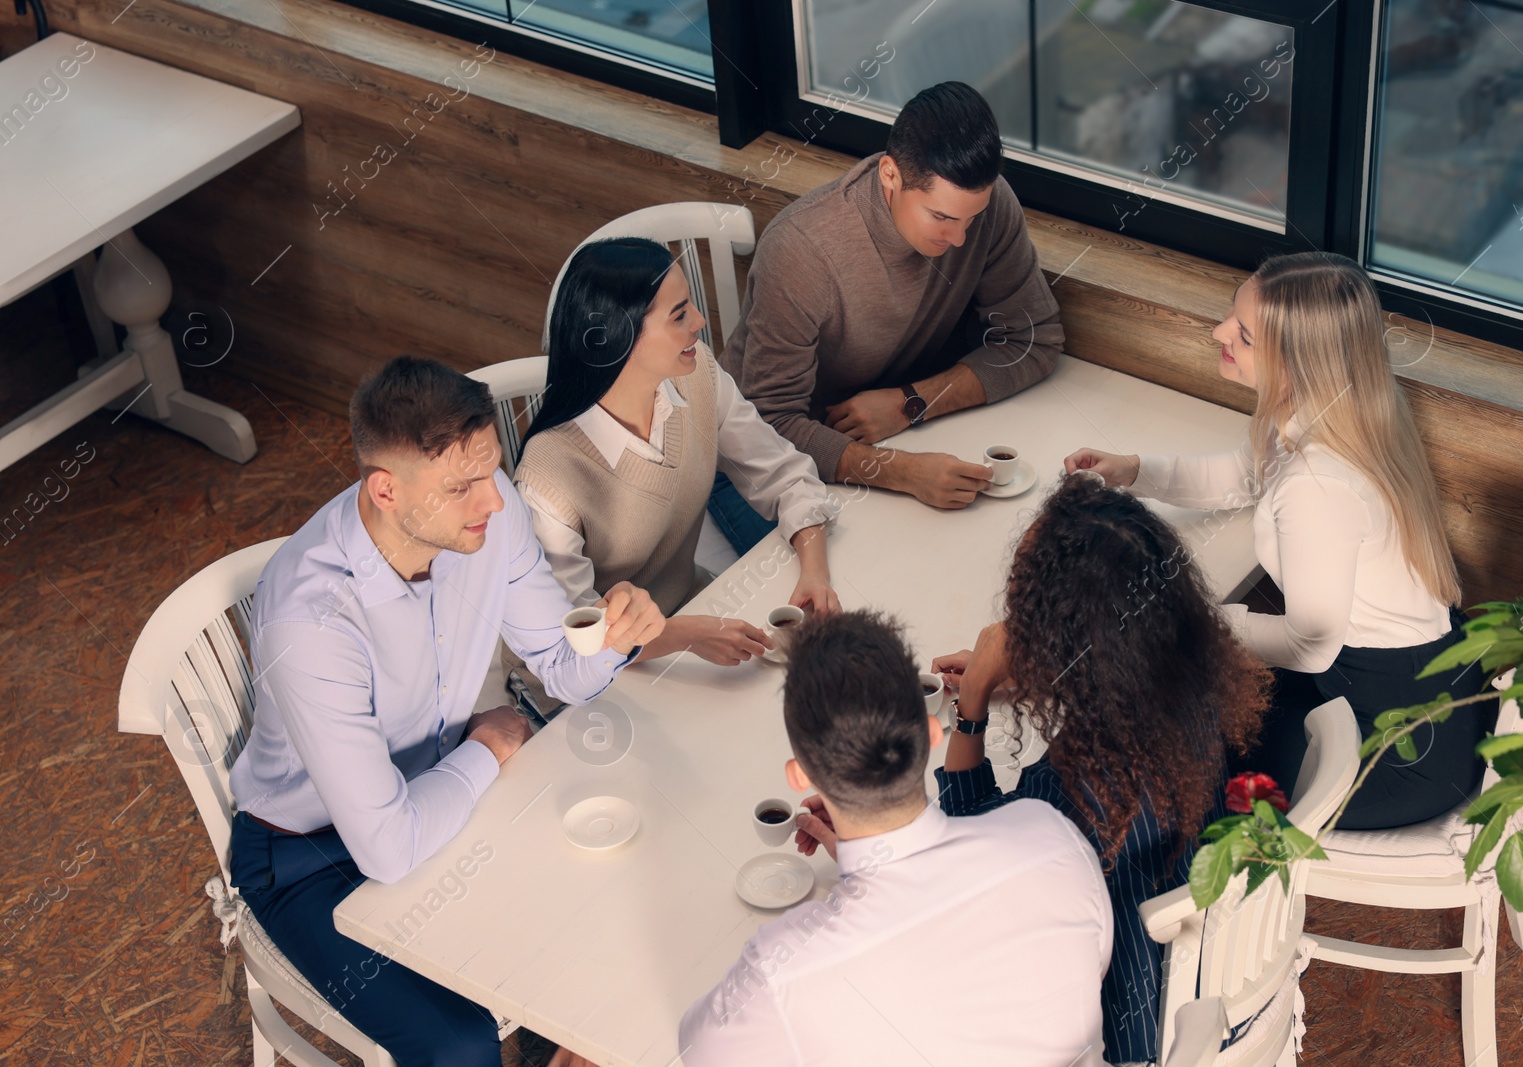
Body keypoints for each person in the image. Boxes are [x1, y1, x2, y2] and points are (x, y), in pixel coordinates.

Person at [228, 356, 665, 1067]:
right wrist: (487, 750)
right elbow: (389, 846)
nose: (493, 503)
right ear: (385, 489)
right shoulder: (311, 622)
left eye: (491, 471)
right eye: (461, 487)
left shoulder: (488, 518)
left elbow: (562, 667)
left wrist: (618, 636)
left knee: (611, 898)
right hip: (308, 855)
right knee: (456, 1041)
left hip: (445, 793)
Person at [1065, 251, 1493, 830]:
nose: (1219, 333)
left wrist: (1195, 621)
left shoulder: (1320, 483)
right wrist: (1136, 470)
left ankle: (1184, 902)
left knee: (1179, 753)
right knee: (1190, 701)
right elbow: (1245, 474)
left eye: (1243, 335)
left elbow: (1311, 644)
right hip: (1411, 683)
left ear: (1295, 366)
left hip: (1398, 747)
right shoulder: (1340, 407)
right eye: (1230, 316)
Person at [935, 474, 1272, 1066]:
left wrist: (976, 700)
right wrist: (1048, 669)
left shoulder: (1066, 794)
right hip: (1225, 982)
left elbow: (965, 846)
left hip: (1132, 1029)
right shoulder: (1204, 684)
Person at [679, 610, 1113, 1066]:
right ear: (930, 737)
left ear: (801, 775)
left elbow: (696, 1051)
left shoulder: (779, 972)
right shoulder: (1052, 835)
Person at [716, 80, 1064, 537]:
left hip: (895, 435)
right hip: (757, 467)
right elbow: (769, 425)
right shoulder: (801, 251)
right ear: (889, 175)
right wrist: (901, 472)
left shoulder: (991, 203)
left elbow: (1032, 338)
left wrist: (912, 403)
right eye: (941, 217)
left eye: (971, 219)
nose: (960, 239)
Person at [515, 237, 840, 668]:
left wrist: (815, 571)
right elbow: (576, 635)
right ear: (618, 335)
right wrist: (685, 635)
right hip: (586, 684)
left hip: (690, 613)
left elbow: (783, 473)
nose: (701, 321)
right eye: (680, 314)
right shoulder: (548, 474)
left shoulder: (696, 374)